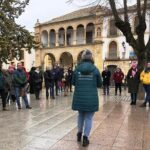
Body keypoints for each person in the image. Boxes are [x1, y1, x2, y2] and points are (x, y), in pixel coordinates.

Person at [72, 49, 102, 147]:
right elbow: (99, 84)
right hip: (91, 98)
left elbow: (73, 82)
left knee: (80, 115)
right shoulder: (95, 69)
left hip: (79, 97)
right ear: (91, 58)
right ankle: (85, 138)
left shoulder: (77, 69)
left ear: (82, 57)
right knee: (89, 117)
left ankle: (79, 133)